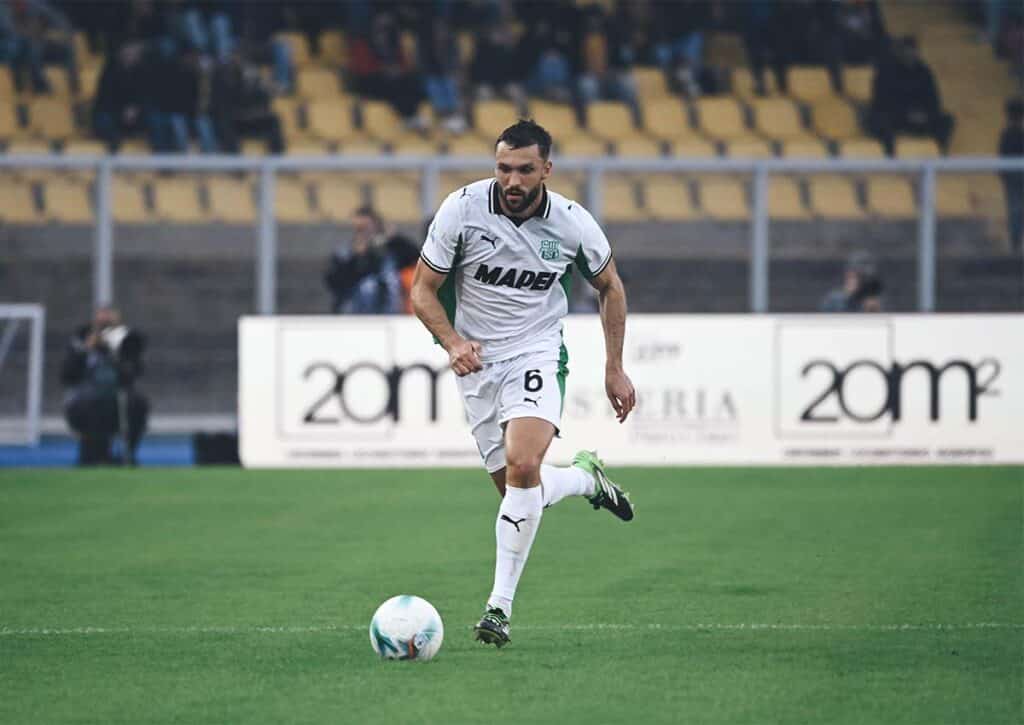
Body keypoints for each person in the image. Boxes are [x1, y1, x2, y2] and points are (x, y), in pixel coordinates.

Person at [410, 120, 636, 648]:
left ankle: (498, 608)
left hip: (536, 350)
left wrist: (614, 366)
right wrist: (452, 342)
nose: (512, 181)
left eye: (525, 170)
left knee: (523, 465)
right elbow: (422, 289)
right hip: (476, 362)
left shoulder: (573, 224)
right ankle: (585, 479)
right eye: (504, 169)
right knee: (520, 491)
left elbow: (610, 286)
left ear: (546, 170)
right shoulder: (462, 210)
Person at [61, 306, 149, 466]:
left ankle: (127, 455)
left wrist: (111, 351)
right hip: (86, 400)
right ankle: (92, 455)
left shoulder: (128, 341)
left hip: (119, 398)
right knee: (92, 406)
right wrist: (85, 350)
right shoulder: (80, 340)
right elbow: (67, 375)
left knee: (137, 404)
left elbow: (133, 372)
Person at [867, 36, 955, 156]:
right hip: (895, 115)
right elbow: (881, 100)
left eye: (913, 51)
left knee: (946, 120)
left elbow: (933, 100)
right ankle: (890, 156)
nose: (910, 55)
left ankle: (939, 153)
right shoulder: (885, 71)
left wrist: (925, 114)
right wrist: (906, 114)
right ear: (899, 53)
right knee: (880, 120)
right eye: (906, 52)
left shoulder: (924, 72)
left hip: (920, 117)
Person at [324, 206, 412, 314]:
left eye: (368, 228)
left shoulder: (391, 250)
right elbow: (334, 282)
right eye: (360, 229)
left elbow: (415, 258)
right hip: (356, 312)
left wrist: (395, 238)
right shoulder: (345, 253)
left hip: (391, 312)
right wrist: (357, 257)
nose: (364, 233)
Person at [820, 252, 884, 312]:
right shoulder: (834, 300)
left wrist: (873, 311)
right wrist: (848, 297)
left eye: (866, 278)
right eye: (859, 276)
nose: (863, 281)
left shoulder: (875, 298)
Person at [998, 97, 1023, 253]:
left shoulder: (1007, 135)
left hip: (1012, 177)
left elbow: (1002, 155)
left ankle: (1016, 242)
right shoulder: (1009, 135)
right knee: (1015, 208)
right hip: (1013, 177)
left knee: (1015, 207)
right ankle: (1016, 241)